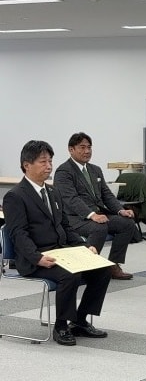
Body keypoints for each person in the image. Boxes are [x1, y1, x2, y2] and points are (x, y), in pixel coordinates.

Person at [2, 140, 112, 346]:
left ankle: (79, 320)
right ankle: (61, 326)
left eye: (50, 161)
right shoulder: (15, 196)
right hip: (35, 258)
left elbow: (66, 226)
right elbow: (18, 234)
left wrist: (83, 248)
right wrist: (37, 258)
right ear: (27, 165)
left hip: (61, 252)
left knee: (103, 269)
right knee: (69, 274)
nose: (49, 166)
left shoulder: (53, 192)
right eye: (43, 162)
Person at [53, 132, 138, 280]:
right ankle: (87, 268)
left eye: (89, 147)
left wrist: (120, 210)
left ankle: (113, 265)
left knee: (127, 224)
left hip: (97, 215)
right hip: (74, 218)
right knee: (99, 228)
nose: (87, 151)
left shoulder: (95, 170)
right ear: (71, 149)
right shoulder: (64, 171)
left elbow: (107, 194)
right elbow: (71, 199)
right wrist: (92, 215)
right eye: (82, 147)